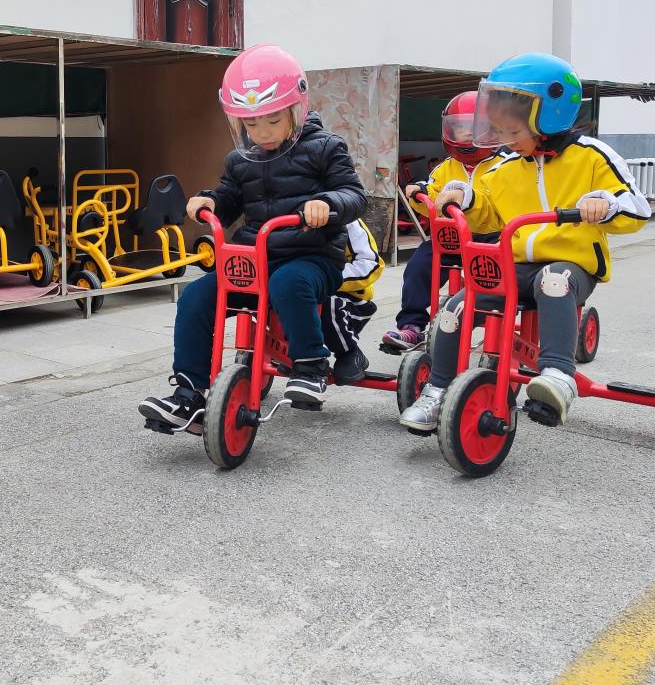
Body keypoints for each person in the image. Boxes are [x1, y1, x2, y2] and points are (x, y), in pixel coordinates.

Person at [399, 53, 651, 431]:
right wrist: (467, 199)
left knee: (555, 280)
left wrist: (606, 204)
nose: (505, 141)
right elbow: (488, 216)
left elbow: (638, 210)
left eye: (513, 132)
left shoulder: (592, 157)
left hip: (571, 266)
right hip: (515, 266)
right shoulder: (504, 168)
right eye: (499, 131)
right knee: (455, 306)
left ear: (548, 118)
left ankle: (558, 375)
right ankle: (438, 390)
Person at [138, 43, 368, 434]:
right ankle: (189, 393)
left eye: (272, 121)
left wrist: (327, 203)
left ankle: (310, 366)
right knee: (195, 297)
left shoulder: (327, 148)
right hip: (254, 259)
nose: (261, 133)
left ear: (296, 109)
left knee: (289, 283)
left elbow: (355, 195)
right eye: (251, 124)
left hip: (312, 257)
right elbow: (229, 199)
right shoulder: (240, 160)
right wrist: (209, 201)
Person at [380, 91, 505, 352]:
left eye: (474, 128)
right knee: (418, 266)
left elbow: (505, 204)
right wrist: (419, 193)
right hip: (453, 238)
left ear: (492, 129)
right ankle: (412, 326)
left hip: (491, 238)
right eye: (459, 128)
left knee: (492, 280)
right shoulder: (446, 167)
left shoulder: (505, 167)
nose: (466, 135)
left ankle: (491, 326)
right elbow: (433, 196)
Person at [324, 217, 384, 382]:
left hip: (349, 297)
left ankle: (349, 352)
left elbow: (371, 264)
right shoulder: (282, 209)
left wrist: (327, 278)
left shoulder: (348, 219)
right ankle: (302, 354)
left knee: (328, 304)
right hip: (304, 288)